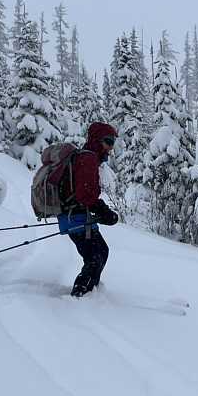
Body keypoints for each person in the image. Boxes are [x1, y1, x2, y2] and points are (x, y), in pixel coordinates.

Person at [59, 121, 120, 297]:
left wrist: (101, 211)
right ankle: (79, 297)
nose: (110, 147)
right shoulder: (88, 159)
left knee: (101, 252)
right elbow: (84, 195)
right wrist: (103, 211)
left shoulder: (89, 157)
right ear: (96, 140)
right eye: (108, 141)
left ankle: (90, 292)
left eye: (113, 142)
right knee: (95, 258)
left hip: (78, 216)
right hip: (74, 217)